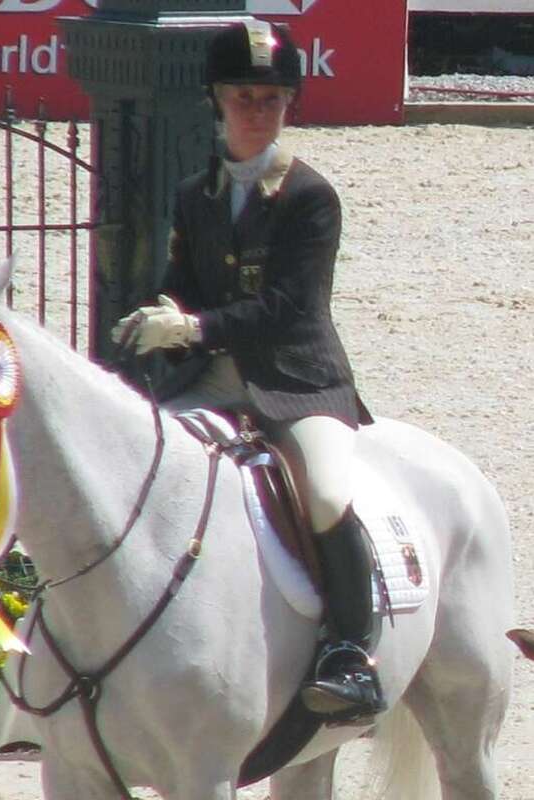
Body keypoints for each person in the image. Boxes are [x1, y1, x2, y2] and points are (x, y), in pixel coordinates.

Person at [111, 20, 385, 722]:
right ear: (216, 99)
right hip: (208, 383)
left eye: (270, 97)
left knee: (323, 493)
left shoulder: (309, 197)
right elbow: (181, 282)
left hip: (296, 383)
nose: (256, 110)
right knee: (134, 480)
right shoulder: (193, 193)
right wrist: (162, 315)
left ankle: (350, 654)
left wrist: (194, 326)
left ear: (288, 103)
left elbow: (290, 307)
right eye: (243, 96)